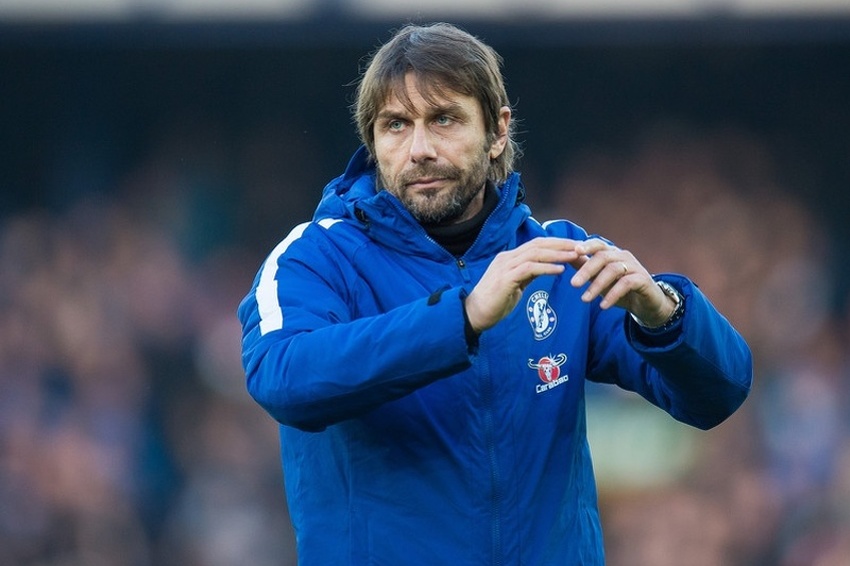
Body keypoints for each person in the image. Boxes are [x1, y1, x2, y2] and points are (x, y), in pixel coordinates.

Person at [237, 22, 753, 565]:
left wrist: (664, 315)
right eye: (395, 125)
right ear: (373, 141)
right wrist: (460, 318)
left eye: (444, 119)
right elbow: (283, 376)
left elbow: (720, 394)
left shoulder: (559, 257)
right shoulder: (314, 258)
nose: (419, 149)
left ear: (498, 130)